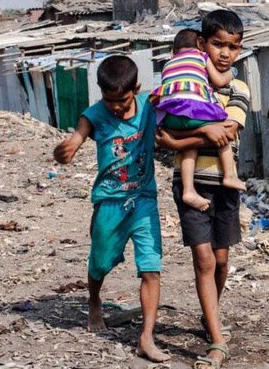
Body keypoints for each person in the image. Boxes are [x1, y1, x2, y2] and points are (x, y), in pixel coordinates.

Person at [53, 55, 170, 363]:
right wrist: (64, 150)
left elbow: (178, 102)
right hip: (110, 202)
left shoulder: (149, 105)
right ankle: (94, 301)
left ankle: (146, 337)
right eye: (109, 100)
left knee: (151, 268)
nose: (116, 107)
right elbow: (73, 144)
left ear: (137, 89)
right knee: (99, 264)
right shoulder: (93, 116)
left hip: (144, 200)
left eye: (123, 100)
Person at [155, 9, 249, 368]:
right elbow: (163, 135)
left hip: (224, 187)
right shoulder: (184, 80)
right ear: (200, 43)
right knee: (204, 260)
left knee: (222, 261)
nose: (226, 54)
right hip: (190, 185)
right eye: (218, 44)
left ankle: (209, 316)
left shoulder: (238, 87)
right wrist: (197, 135)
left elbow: (227, 131)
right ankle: (217, 340)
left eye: (234, 48)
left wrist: (188, 136)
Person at [150, 28, 246, 213]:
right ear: (201, 45)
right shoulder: (201, 57)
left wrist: (175, 143)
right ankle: (229, 175)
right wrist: (233, 72)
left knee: (188, 148)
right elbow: (218, 81)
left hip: (170, 115)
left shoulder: (168, 63)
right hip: (195, 110)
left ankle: (188, 190)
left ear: (174, 50)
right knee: (222, 131)